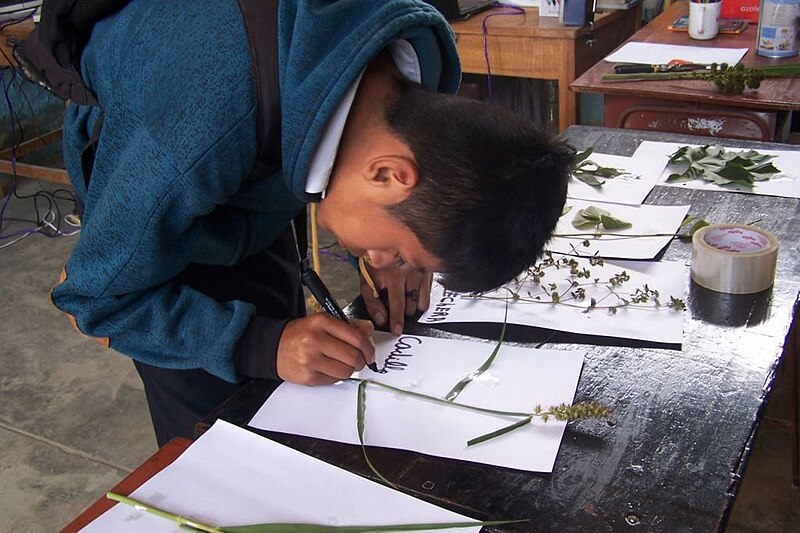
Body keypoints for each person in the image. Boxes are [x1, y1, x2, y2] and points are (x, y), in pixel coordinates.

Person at [19, 0, 574, 446]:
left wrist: (390, 251)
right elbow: (98, 300)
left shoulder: (411, 68)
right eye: (401, 255)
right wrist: (257, 346)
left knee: (297, 367)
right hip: (164, 160)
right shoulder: (187, 134)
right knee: (222, 440)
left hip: (251, 142)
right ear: (386, 172)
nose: (387, 265)